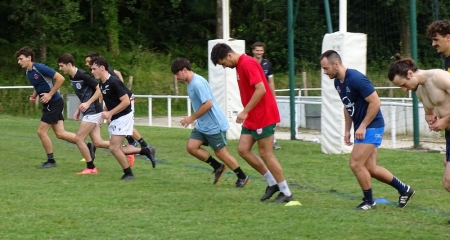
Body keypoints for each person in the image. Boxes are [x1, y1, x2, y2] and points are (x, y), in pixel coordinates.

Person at [319, 50, 415, 210]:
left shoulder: (356, 78)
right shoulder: (338, 83)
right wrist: (347, 130)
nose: (325, 72)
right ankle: (404, 190)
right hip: (362, 127)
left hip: (372, 126)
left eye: (326, 68)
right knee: (371, 168)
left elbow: (376, 102)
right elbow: (347, 106)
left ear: (336, 64)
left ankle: (369, 202)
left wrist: (363, 126)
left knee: (355, 163)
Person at [210, 43, 293, 202]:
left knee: (266, 153)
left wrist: (245, 111)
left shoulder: (247, 63)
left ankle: (286, 192)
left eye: (223, 64)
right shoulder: (240, 65)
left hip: (263, 115)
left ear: (228, 56)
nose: (225, 67)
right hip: (252, 116)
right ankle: (272, 183)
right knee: (243, 149)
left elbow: (261, 89)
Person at [171, 57, 250, 187]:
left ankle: (242, 176)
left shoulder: (198, 83)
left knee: (221, 153)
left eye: (177, 73)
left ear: (184, 70)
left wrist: (191, 118)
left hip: (215, 126)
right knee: (191, 147)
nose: (176, 77)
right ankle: (217, 166)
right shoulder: (190, 83)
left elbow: (208, 104)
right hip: (203, 125)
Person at [388, 54, 450, 215]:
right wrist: (431, 119)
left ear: (410, 74)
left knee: (448, 181)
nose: (404, 89)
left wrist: (445, 120)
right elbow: (429, 111)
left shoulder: (439, 77)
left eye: (403, 84)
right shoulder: (420, 91)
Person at [15, 47, 94, 169]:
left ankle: (51, 161)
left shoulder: (40, 68)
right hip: (50, 103)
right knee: (60, 134)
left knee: (41, 131)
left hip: (54, 103)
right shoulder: (28, 72)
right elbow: (38, 85)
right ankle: (87, 145)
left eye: (21, 59)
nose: (19, 62)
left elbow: (60, 78)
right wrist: (34, 95)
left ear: (29, 58)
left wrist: (50, 94)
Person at [58, 53, 137, 174]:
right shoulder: (72, 77)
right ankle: (127, 150)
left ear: (69, 64)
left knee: (79, 138)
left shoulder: (82, 75)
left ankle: (91, 167)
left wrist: (88, 103)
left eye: (61, 66)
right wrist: (78, 109)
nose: (60, 69)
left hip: (93, 110)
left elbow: (99, 89)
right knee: (98, 142)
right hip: (89, 110)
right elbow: (83, 94)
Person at [89, 56, 155, 180]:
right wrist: (103, 116)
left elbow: (125, 101)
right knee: (117, 149)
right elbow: (110, 101)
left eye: (94, 69)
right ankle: (145, 151)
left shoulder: (114, 81)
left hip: (123, 117)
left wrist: (110, 113)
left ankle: (128, 173)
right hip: (116, 118)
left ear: (102, 68)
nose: (92, 72)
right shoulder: (101, 84)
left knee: (114, 148)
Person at [251, 42, 281, 150]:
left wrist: (273, 96)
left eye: (261, 50)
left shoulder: (267, 64)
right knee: (253, 117)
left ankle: (274, 140)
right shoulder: (249, 63)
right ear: (253, 51)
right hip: (253, 96)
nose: (259, 52)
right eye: (257, 50)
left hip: (265, 96)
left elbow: (270, 81)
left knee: (269, 117)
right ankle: (253, 138)